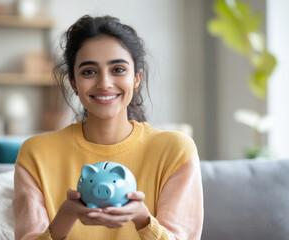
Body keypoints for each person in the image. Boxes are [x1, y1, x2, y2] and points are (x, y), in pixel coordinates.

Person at [13, 15, 203, 240]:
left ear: (136, 78)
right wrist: (67, 214)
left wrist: (142, 218)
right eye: (89, 72)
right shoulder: (35, 154)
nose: (104, 83)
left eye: (118, 69)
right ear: (73, 82)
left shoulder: (176, 151)